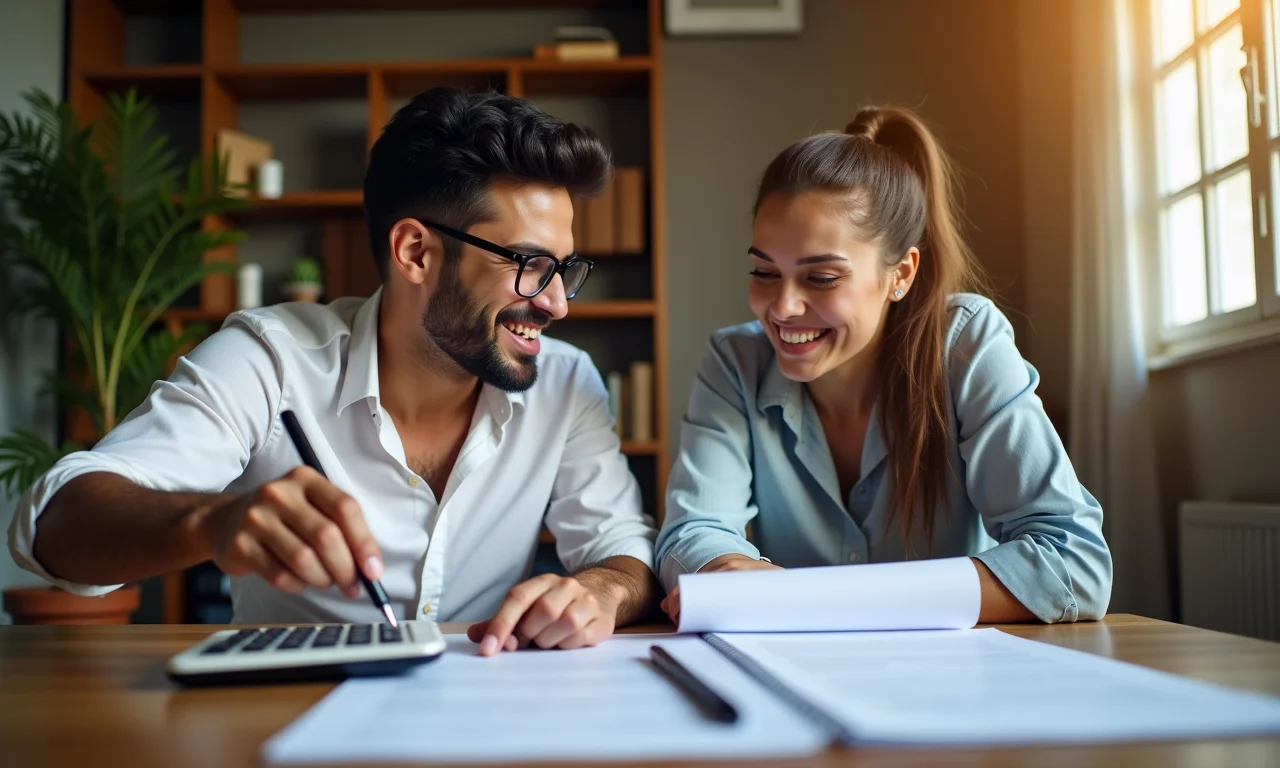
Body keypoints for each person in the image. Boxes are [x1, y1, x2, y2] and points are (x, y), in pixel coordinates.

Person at [9, 87, 658, 655]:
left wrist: (600, 589)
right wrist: (212, 521)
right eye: (530, 265)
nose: (558, 302)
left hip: (484, 709)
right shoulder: (270, 358)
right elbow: (57, 523)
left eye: (565, 268)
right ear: (415, 252)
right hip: (286, 720)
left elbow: (622, 546)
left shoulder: (567, 383)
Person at [655, 106, 1111, 625]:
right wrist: (722, 569)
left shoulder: (966, 342)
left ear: (901, 274)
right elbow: (690, 534)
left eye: (821, 277)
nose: (781, 308)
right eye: (764, 271)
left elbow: (1073, 566)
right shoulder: (734, 362)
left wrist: (808, 597)